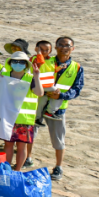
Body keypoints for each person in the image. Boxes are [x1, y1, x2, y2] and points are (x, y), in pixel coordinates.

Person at [38, 36, 83, 181]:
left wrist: (62, 95)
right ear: (55, 47)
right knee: (30, 134)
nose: (64, 48)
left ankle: (58, 166)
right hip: (39, 103)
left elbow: (77, 89)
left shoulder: (77, 67)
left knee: (58, 138)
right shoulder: (45, 61)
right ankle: (28, 158)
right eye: (61, 45)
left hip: (58, 109)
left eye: (67, 45)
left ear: (73, 48)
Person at [1, 51, 42, 170]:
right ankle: (7, 170)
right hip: (8, 117)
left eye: (21, 62)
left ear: (26, 65)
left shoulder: (30, 78)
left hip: (24, 119)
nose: (18, 64)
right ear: (10, 63)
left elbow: (39, 93)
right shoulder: (4, 76)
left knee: (21, 147)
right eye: (15, 61)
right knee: (8, 145)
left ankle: (17, 170)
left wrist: (37, 77)